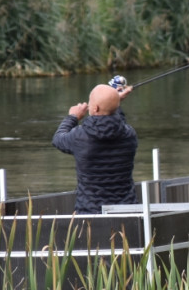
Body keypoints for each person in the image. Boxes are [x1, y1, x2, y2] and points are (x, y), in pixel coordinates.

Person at [52, 81, 138, 214]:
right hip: (127, 212)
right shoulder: (129, 134)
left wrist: (73, 117)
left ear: (95, 108)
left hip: (90, 214)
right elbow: (118, 125)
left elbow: (58, 139)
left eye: (90, 102)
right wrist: (114, 104)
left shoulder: (80, 136)